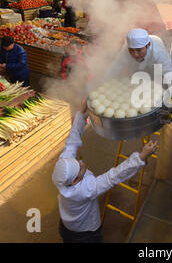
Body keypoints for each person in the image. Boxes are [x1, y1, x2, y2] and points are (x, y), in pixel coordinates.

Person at [52, 100, 158, 243]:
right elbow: (113, 177)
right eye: (80, 168)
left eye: (77, 162)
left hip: (66, 227)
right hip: (85, 235)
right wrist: (140, 157)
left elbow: (72, 140)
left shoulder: (63, 168)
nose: (82, 163)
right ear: (75, 181)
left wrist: (81, 115)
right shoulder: (85, 189)